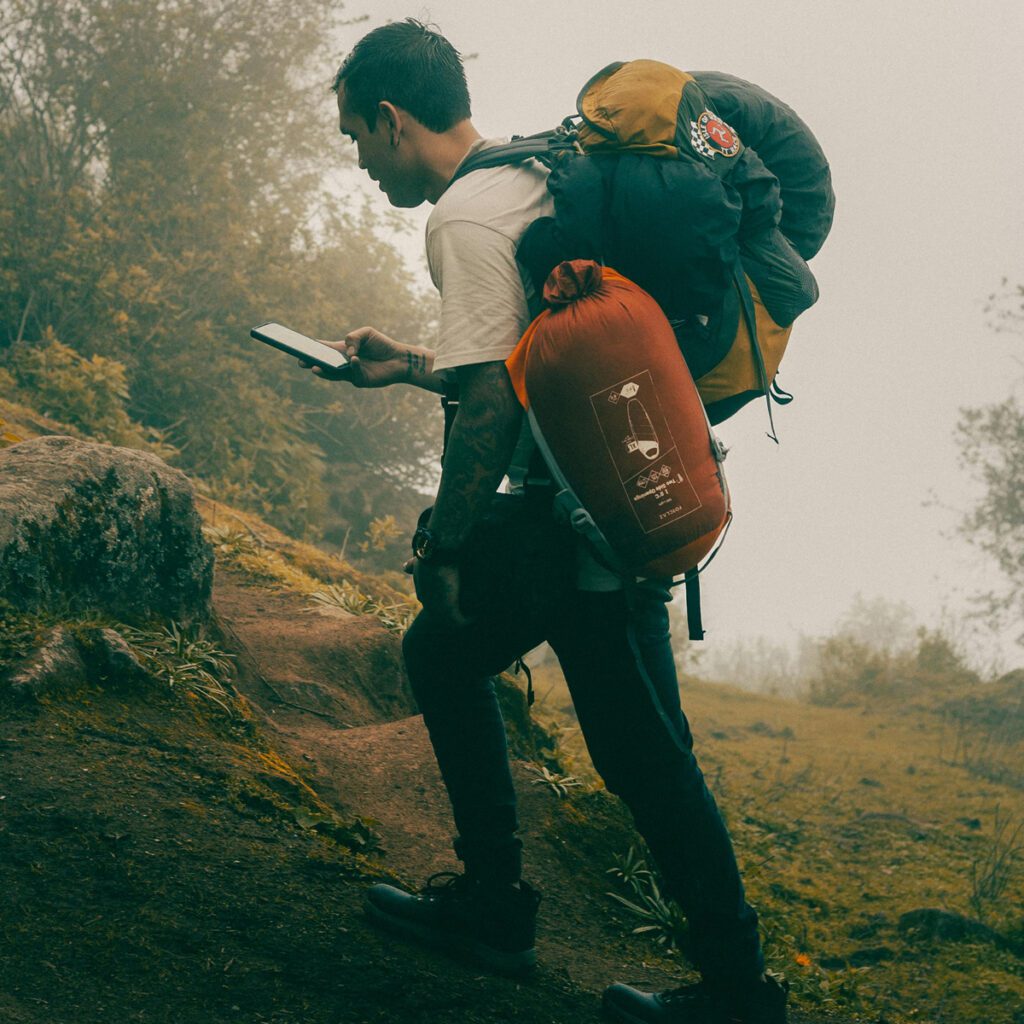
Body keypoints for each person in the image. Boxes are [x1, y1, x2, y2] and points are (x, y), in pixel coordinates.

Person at [309, 18, 788, 1024]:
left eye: (356, 135)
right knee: (605, 731)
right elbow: (525, 361)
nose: (357, 160)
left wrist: (444, 543)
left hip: (568, 526)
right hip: (610, 500)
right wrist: (404, 364)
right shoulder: (533, 173)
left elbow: (491, 404)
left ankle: (713, 980)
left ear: (393, 121)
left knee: (611, 738)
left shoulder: (465, 219)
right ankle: (687, 963)